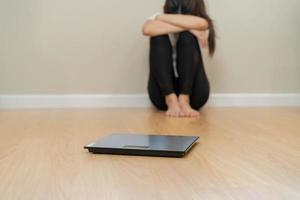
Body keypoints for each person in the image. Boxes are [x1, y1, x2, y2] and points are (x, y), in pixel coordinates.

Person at [142, 0, 216, 118]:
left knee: (187, 37)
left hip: (195, 95)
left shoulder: (201, 22)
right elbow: (147, 30)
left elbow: (202, 24)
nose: (179, 16)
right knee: (157, 37)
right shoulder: (159, 17)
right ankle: (171, 99)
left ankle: (184, 99)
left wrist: (160, 19)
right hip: (162, 95)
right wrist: (189, 27)